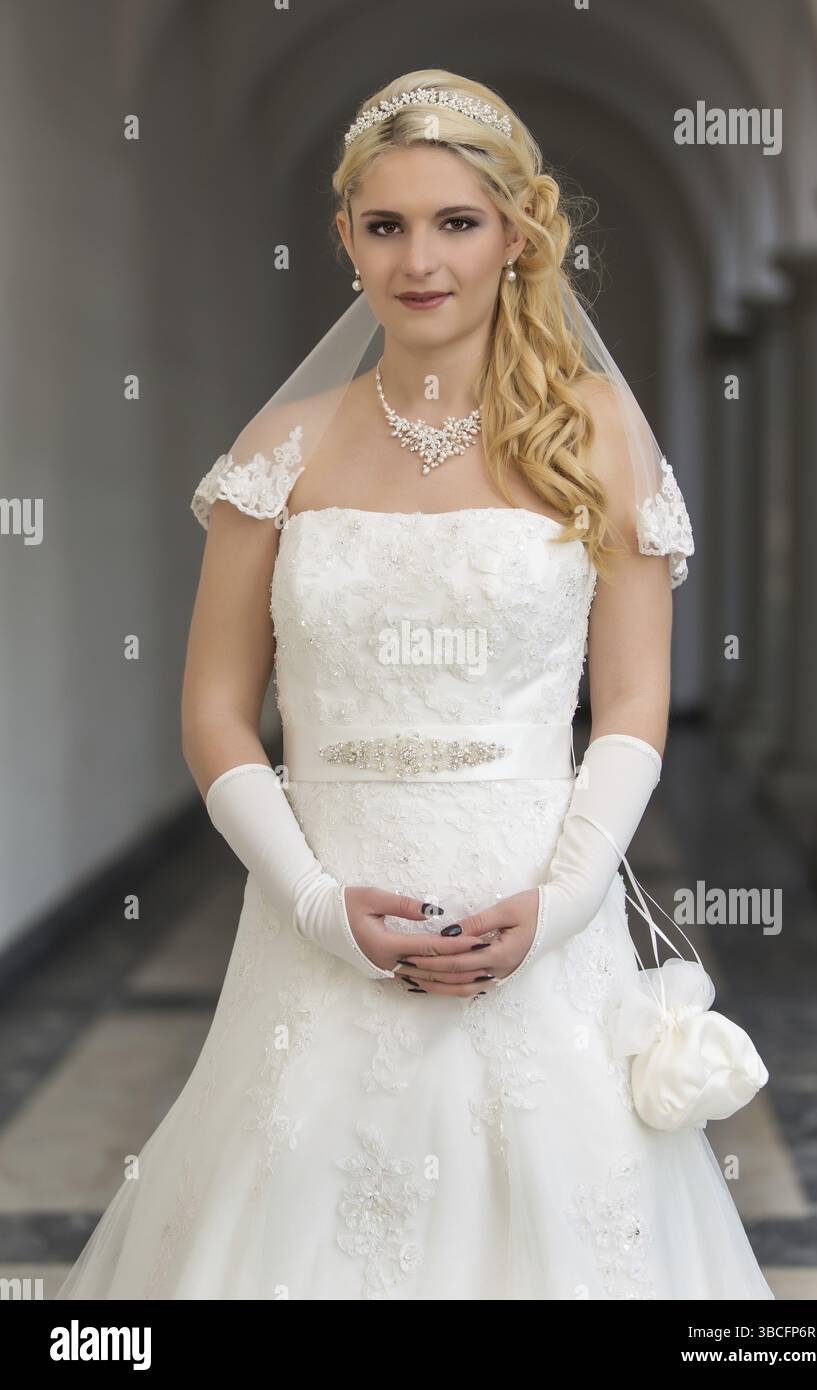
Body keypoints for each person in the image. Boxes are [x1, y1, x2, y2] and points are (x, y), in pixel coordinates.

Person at [56, 68, 773, 1300]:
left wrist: (554, 906)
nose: (418, 259)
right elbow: (217, 712)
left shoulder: (596, 430)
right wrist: (321, 907)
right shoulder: (276, 449)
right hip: (320, 924)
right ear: (345, 239)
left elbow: (634, 706)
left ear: (515, 233)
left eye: (456, 222)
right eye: (385, 225)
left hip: (538, 912)